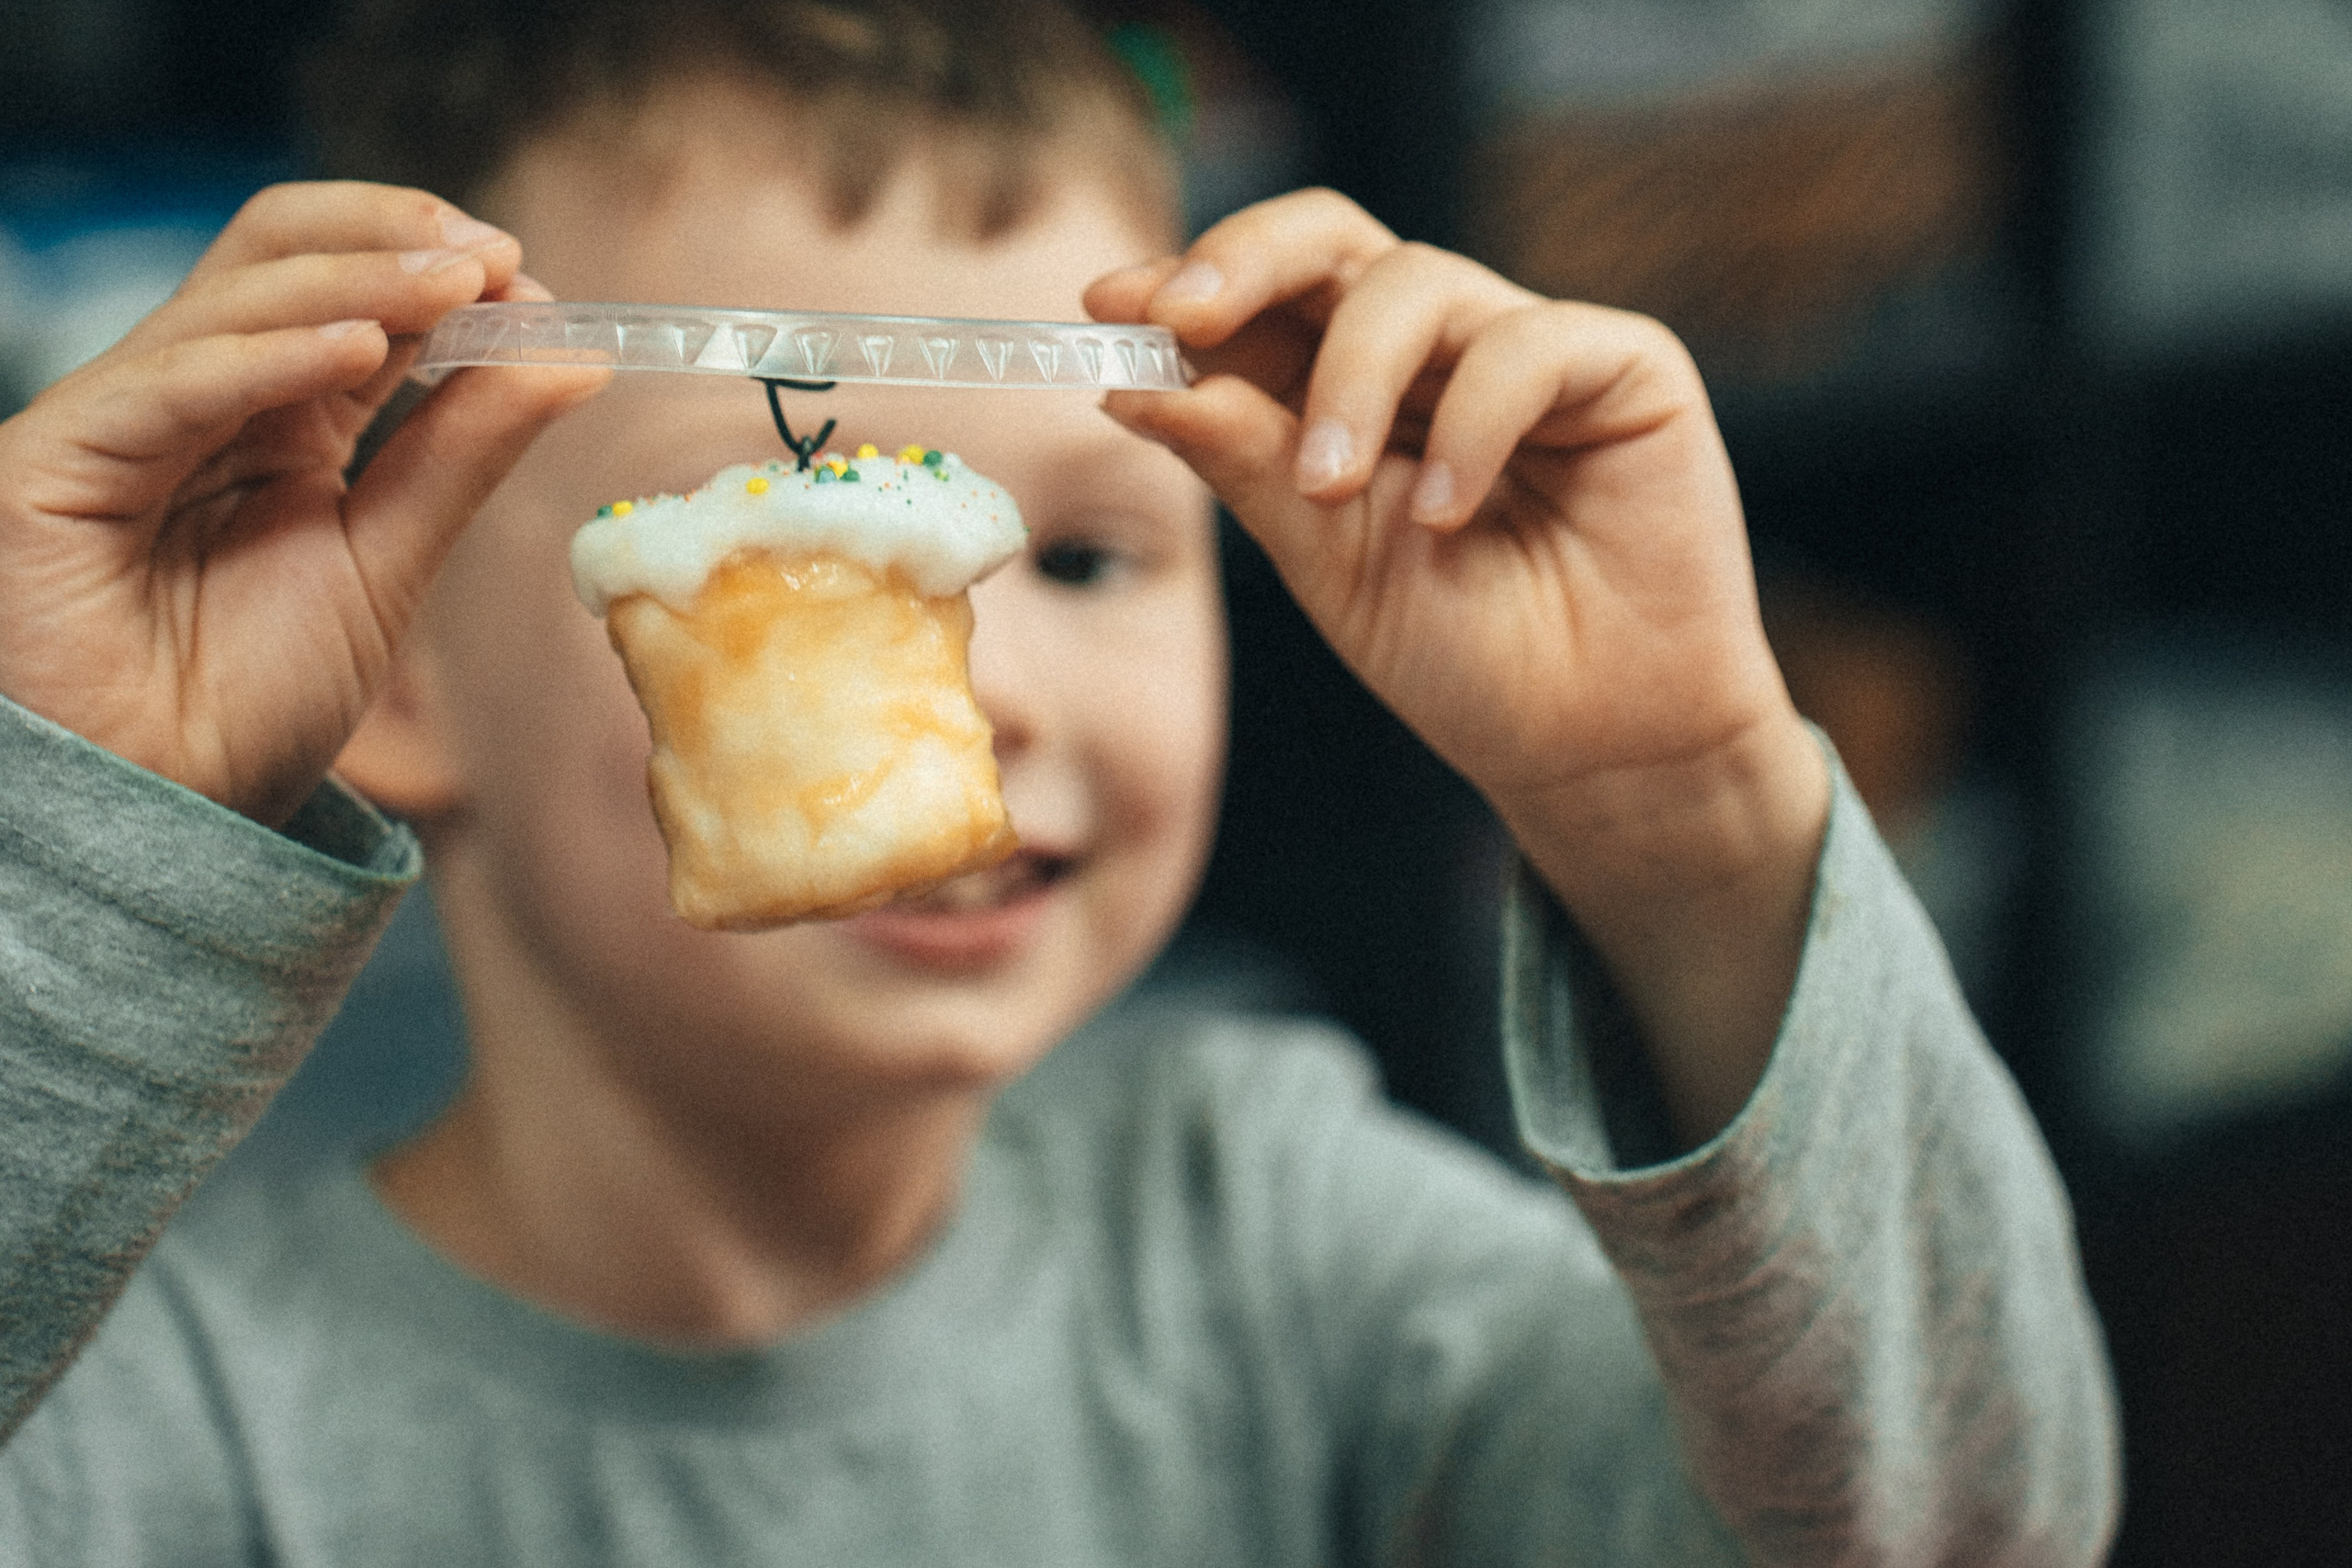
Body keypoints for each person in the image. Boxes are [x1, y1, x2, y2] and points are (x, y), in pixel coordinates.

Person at [0, 1, 2117, 1562]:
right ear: (387, 657)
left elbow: (1955, 1524)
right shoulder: (151, 1423)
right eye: (787, 545)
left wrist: (1683, 807)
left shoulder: (1284, 1244)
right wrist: (62, 862)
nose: (983, 680)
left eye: (1090, 554)